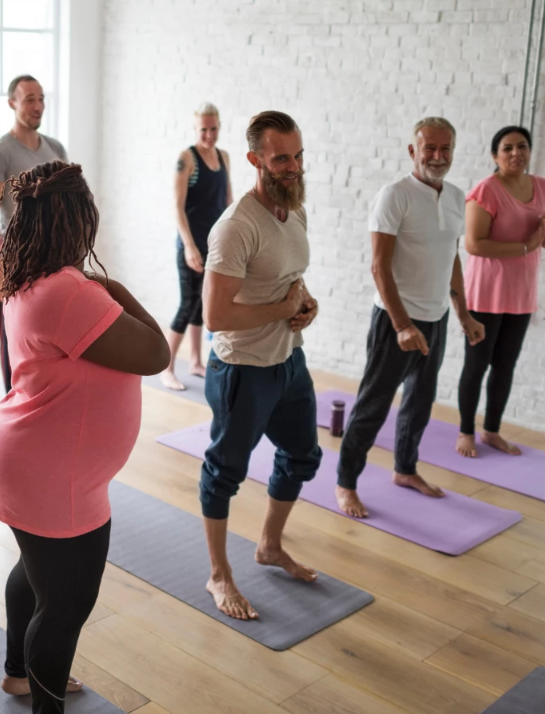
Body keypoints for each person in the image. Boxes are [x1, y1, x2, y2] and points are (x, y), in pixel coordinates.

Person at [0, 161, 168, 714]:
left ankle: (19, 676)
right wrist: (112, 286)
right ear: (77, 219)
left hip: (32, 462)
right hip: (52, 477)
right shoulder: (69, 291)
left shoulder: (26, 276)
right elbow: (156, 353)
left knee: (35, 574)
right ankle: (46, 713)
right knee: (64, 606)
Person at [200, 111, 322, 621]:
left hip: (287, 361)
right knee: (224, 472)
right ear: (255, 160)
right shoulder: (235, 226)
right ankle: (218, 575)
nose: (292, 167)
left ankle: (269, 545)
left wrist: (307, 304)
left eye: (297, 156)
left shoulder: (295, 210)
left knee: (302, 455)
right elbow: (215, 314)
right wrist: (280, 310)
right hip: (242, 369)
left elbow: (291, 278)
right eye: (281, 159)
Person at [334, 118, 486, 519]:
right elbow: (379, 268)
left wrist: (464, 314)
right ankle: (346, 482)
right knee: (373, 405)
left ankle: (405, 470)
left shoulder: (455, 196)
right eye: (429, 149)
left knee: (420, 402)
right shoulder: (394, 196)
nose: (437, 156)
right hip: (394, 322)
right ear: (412, 151)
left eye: (445, 149)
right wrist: (402, 325)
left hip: (436, 320)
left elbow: (452, 256)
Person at [457, 125, 545, 458]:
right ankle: (465, 432)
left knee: (505, 365)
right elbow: (474, 244)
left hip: (520, 293)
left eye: (522, 146)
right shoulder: (486, 190)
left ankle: (492, 431)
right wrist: (526, 245)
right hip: (486, 292)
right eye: (507, 148)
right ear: (495, 155)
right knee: (477, 364)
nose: (516, 153)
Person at [0, 74, 69, 393]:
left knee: (53, 332)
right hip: (16, 255)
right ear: (12, 103)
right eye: (29, 98)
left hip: (54, 255)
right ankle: (15, 401)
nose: (37, 105)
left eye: (41, 98)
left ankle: (47, 397)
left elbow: (66, 203)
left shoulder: (56, 149)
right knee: (15, 335)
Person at [161, 102, 234, 391]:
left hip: (215, 245)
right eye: (203, 129)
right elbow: (177, 207)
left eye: (213, 128)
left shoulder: (224, 157)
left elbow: (228, 201)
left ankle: (195, 361)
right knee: (187, 303)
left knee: (203, 305)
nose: (209, 135)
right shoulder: (186, 159)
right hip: (190, 245)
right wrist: (190, 247)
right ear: (196, 128)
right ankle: (166, 368)